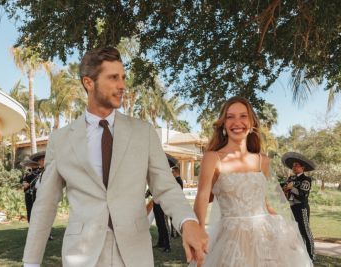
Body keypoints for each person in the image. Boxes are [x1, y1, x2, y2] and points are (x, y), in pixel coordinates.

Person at [22, 47, 208, 267]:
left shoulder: (144, 132)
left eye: (123, 77)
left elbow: (165, 187)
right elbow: (46, 203)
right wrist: (31, 262)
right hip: (81, 256)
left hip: (134, 254)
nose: (122, 85)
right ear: (88, 83)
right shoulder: (61, 140)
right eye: (113, 78)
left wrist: (188, 222)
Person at [191, 96, 313, 267]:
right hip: (231, 238)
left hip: (265, 236)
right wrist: (199, 231)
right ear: (223, 123)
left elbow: (262, 200)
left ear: (252, 123)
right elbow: (202, 196)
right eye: (230, 116)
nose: (237, 122)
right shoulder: (213, 157)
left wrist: (283, 226)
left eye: (243, 116)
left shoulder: (261, 160)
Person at [282, 152, 316, 260]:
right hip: (291, 207)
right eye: (293, 165)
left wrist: (291, 188)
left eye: (296, 165)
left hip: (302, 208)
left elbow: (303, 195)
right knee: (294, 231)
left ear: (303, 167)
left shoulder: (306, 180)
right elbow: (283, 192)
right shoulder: (290, 178)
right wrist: (284, 190)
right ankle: (298, 254)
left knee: (305, 231)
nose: (294, 167)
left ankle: (311, 255)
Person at [170, 166, 183, 238]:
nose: (171, 173)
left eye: (172, 172)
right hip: (176, 201)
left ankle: (175, 234)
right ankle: (175, 233)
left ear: (175, 172)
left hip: (176, 201)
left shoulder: (178, 180)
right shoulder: (177, 179)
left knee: (174, 218)